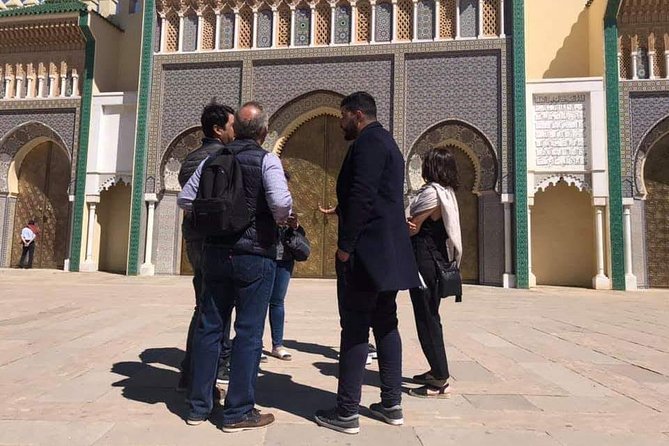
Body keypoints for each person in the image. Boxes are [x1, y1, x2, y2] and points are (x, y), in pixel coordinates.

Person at [177, 101, 292, 432]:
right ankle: (238, 410)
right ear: (264, 133)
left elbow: (186, 199)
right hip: (254, 255)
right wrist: (280, 220)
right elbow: (281, 203)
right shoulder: (267, 159)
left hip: (215, 253)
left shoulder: (214, 158)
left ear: (236, 130)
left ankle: (198, 407)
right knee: (249, 332)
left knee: (210, 327)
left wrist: (214, 216)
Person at [314, 92, 420, 434]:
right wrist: (341, 209)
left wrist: (345, 247)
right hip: (387, 253)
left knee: (357, 326)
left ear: (357, 114)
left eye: (343, 116)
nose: (340, 122)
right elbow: (378, 197)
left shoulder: (367, 144)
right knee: (386, 323)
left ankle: (346, 411)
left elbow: (363, 195)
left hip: (367, 254)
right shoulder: (386, 142)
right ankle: (391, 404)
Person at [176, 100, 236, 392]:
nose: (234, 131)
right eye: (231, 126)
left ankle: (189, 373)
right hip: (215, 241)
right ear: (217, 129)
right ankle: (215, 371)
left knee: (203, 305)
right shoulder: (222, 157)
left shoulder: (190, 158)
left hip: (194, 238)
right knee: (216, 308)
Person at [406, 147, 462, 398]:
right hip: (433, 259)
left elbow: (413, 228)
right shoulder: (447, 193)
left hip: (425, 262)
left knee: (427, 318)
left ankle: (440, 377)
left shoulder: (432, 194)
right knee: (429, 316)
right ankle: (435, 370)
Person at [267, 172, 307, 361]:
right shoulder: (261, 202)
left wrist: (295, 226)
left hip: (284, 259)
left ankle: (277, 344)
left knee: (277, 301)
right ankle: (253, 344)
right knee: (257, 303)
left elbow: (298, 233)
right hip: (264, 257)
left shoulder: (287, 205)